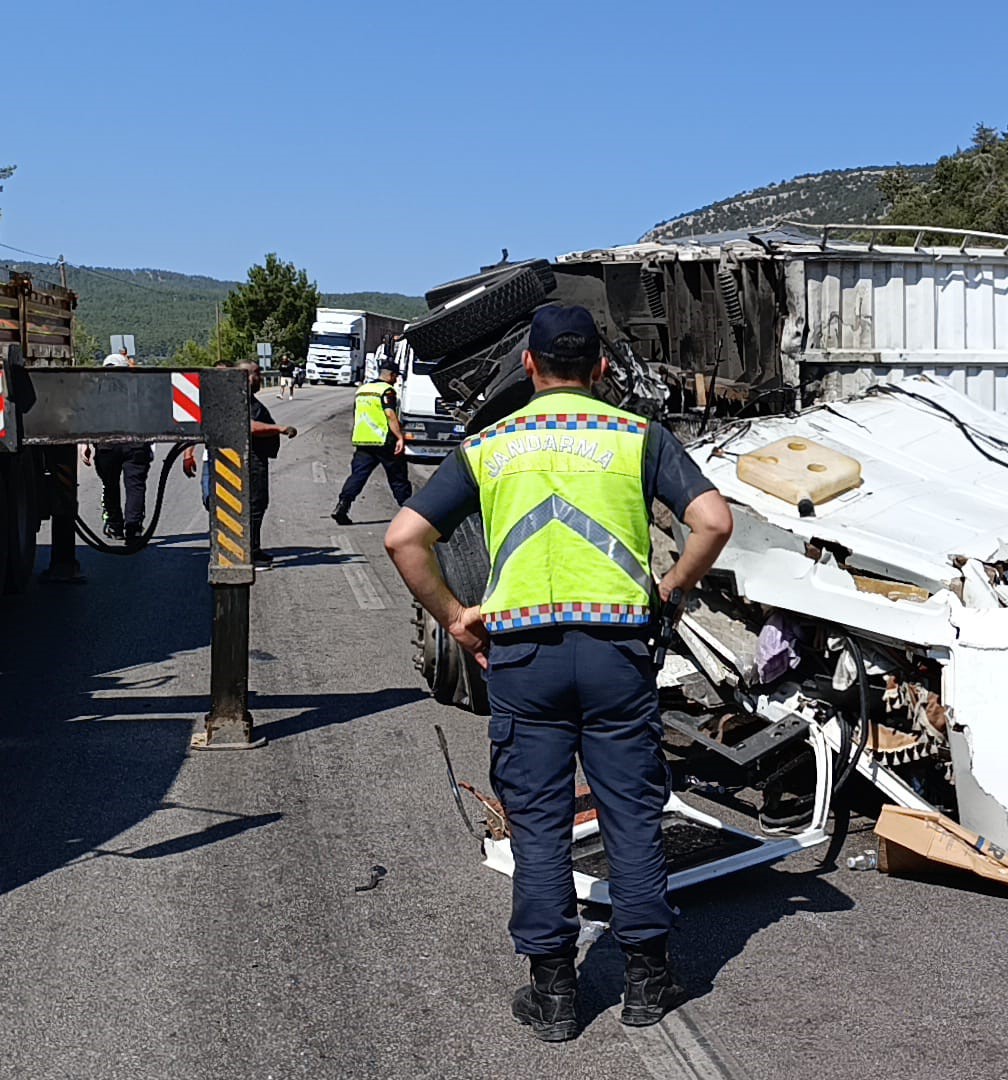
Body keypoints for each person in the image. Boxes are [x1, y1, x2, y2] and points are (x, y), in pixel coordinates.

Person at [384, 305, 734, 1043]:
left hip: (524, 658)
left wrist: (454, 615)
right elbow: (714, 522)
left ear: (529, 366)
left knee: (539, 824)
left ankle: (554, 994)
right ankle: (646, 978)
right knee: (631, 812)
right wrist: (667, 591)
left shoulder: (489, 446)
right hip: (616, 653)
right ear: (602, 368)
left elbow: (404, 536)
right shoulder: (638, 438)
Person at [183, 362, 298, 566]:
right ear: (245, 376)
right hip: (249, 459)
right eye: (256, 374)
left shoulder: (241, 398)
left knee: (255, 505)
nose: (260, 378)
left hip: (248, 458)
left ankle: (249, 548)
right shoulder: (238, 399)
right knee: (253, 504)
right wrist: (279, 428)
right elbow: (248, 426)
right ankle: (248, 552)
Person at [80, 352, 153, 542]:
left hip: (107, 446)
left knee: (110, 486)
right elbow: (150, 413)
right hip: (135, 445)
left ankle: (115, 525)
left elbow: (88, 418)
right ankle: (133, 528)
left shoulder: (96, 391)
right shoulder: (138, 388)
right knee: (135, 486)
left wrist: (85, 443)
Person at [330, 361, 413, 524]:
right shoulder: (387, 391)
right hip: (384, 440)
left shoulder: (362, 390)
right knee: (398, 477)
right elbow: (390, 415)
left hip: (363, 440)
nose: (396, 380)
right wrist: (400, 438)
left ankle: (342, 505)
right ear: (391, 375)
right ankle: (409, 514)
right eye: (395, 377)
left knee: (358, 475)